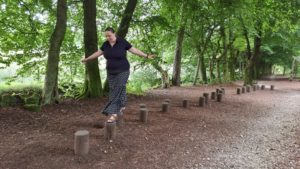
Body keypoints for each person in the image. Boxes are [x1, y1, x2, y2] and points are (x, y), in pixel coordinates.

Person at [81, 27, 155, 123]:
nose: (108, 37)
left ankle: (113, 114)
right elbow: (98, 53)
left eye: (109, 35)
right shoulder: (105, 44)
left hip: (123, 70)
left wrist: (146, 55)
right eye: (106, 36)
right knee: (118, 88)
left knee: (116, 90)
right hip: (111, 72)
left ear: (114, 33)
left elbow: (134, 50)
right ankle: (122, 104)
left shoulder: (122, 42)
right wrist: (87, 59)